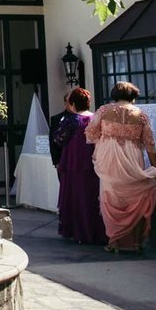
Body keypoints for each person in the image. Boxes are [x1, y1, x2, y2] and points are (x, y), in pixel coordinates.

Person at [86, 82, 156, 254]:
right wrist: (155, 166)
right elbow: (150, 143)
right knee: (137, 199)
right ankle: (136, 244)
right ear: (133, 96)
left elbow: (90, 133)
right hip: (132, 159)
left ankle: (114, 242)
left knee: (111, 199)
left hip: (109, 159)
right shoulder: (141, 115)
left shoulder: (104, 111)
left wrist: (106, 139)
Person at [51, 87, 107, 244]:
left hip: (74, 163)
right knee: (92, 196)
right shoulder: (96, 118)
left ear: (73, 103)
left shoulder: (72, 120)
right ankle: (95, 231)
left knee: (75, 197)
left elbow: (58, 139)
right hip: (93, 163)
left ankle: (78, 232)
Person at [48, 92, 76, 167]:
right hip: (64, 159)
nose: (73, 104)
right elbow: (53, 142)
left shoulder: (84, 117)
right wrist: (56, 161)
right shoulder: (57, 119)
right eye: (70, 101)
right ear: (65, 103)